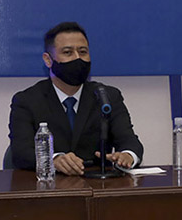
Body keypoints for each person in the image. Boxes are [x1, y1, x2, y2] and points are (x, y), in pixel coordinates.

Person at [9, 21, 143, 174]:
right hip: (49, 185)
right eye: (68, 52)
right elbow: (21, 153)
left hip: (97, 183)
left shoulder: (107, 96)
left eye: (83, 52)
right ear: (48, 60)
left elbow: (130, 142)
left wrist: (127, 156)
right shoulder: (27, 100)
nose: (78, 58)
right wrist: (54, 160)